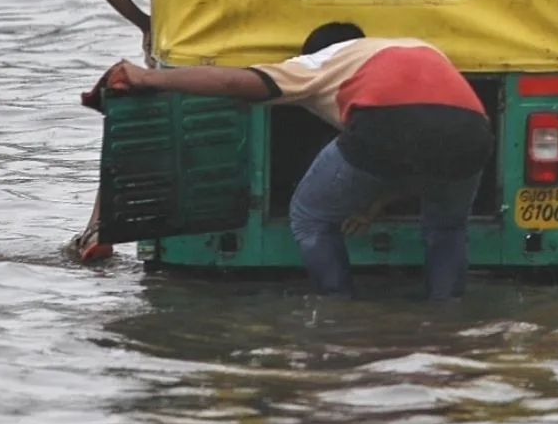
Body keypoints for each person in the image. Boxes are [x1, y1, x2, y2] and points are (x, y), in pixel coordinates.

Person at [110, 23, 494, 300]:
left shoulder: (320, 62)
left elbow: (233, 84)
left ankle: (337, 306)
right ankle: (446, 310)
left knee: (310, 216)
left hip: (383, 125)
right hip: (474, 131)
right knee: (447, 226)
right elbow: (422, 153)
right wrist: (374, 204)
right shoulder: (417, 46)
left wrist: (149, 79)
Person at [66, 0, 156, 262]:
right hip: (255, 57)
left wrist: (147, 24)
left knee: (136, 125)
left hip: (177, 52)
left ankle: (97, 229)